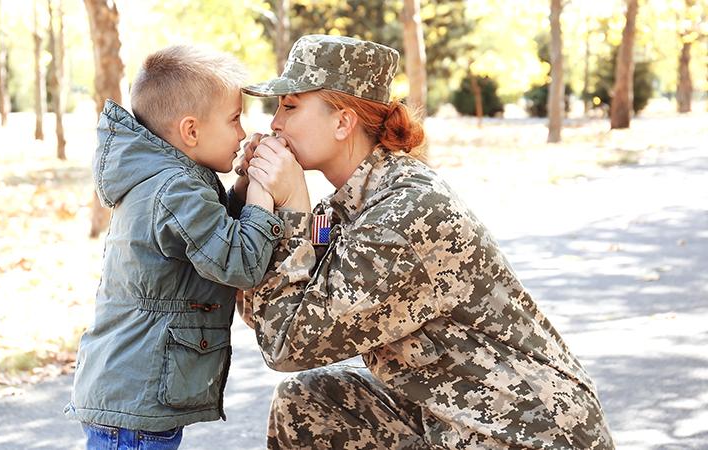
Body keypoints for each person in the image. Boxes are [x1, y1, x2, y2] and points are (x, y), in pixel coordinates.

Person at [235, 34, 615, 449]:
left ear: (342, 122)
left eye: (290, 106)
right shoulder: (340, 209)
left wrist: (290, 208)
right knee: (308, 403)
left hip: (523, 430)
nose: (274, 123)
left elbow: (288, 343)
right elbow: (268, 312)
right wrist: (251, 202)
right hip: (455, 420)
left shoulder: (403, 216)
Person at [64, 44, 285, 450]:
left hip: (133, 397)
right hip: (135, 402)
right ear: (191, 131)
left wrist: (242, 186)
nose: (241, 133)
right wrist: (263, 195)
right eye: (234, 119)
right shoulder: (175, 189)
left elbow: (210, 234)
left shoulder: (173, 178)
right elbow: (238, 260)